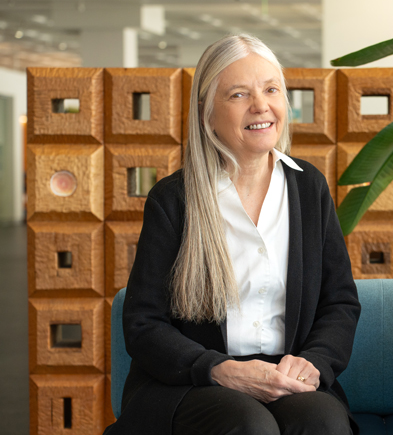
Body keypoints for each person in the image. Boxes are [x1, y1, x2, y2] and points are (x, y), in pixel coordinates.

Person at [105, 34, 360, 435]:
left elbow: (340, 301)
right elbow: (143, 322)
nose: (261, 105)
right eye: (239, 94)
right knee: (248, 424)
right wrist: (218, 369)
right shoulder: (173, 199)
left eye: (271, 89)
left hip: (284, 374)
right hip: (195, 382)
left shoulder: (309, 187)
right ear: (207, 113)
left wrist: (315, 361)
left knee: (323, 421)